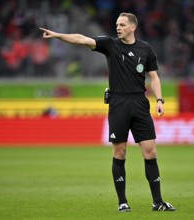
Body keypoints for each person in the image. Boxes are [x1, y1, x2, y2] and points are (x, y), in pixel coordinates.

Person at [40, 12, 175, 212]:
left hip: (140, 103)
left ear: (132, 27)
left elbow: (154, 77)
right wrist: (59, 35)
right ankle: (122, 202)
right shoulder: (110, 45)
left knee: (150, 152)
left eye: (122, 25)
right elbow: (81, 39)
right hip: (118, 104)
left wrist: (160, 100)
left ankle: (158, 202)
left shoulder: (146, 49)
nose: (118, 28)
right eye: (116, 24)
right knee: (120, 153)